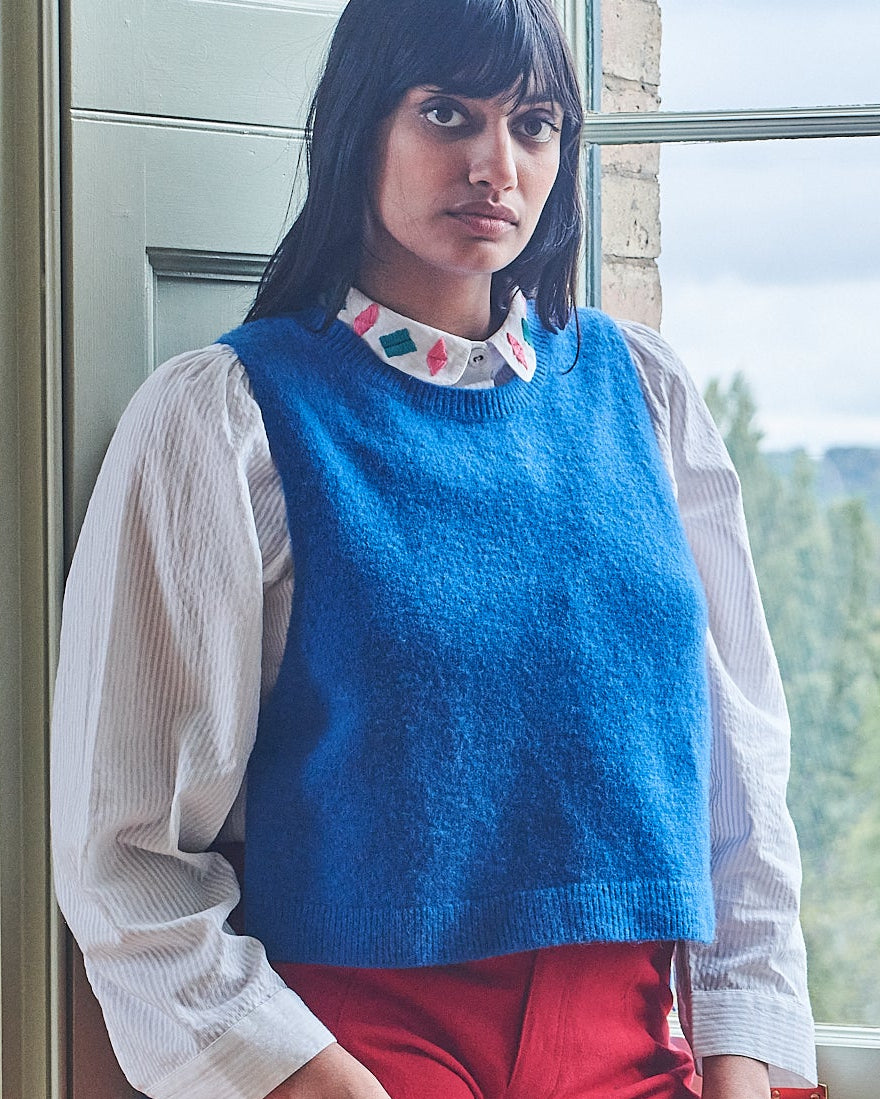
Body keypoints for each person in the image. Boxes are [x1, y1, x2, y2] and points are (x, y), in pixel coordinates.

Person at [50, 1, 818, 1097]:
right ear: (360, 124)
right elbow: (126, 854)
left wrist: (743, 1063)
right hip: (350, 1054)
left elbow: (742, 788)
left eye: (534, 124)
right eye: (448, 113)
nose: (496, 166)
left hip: (641, 1050)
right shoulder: (227, 418)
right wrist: (312, 1077)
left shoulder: (643, 397)